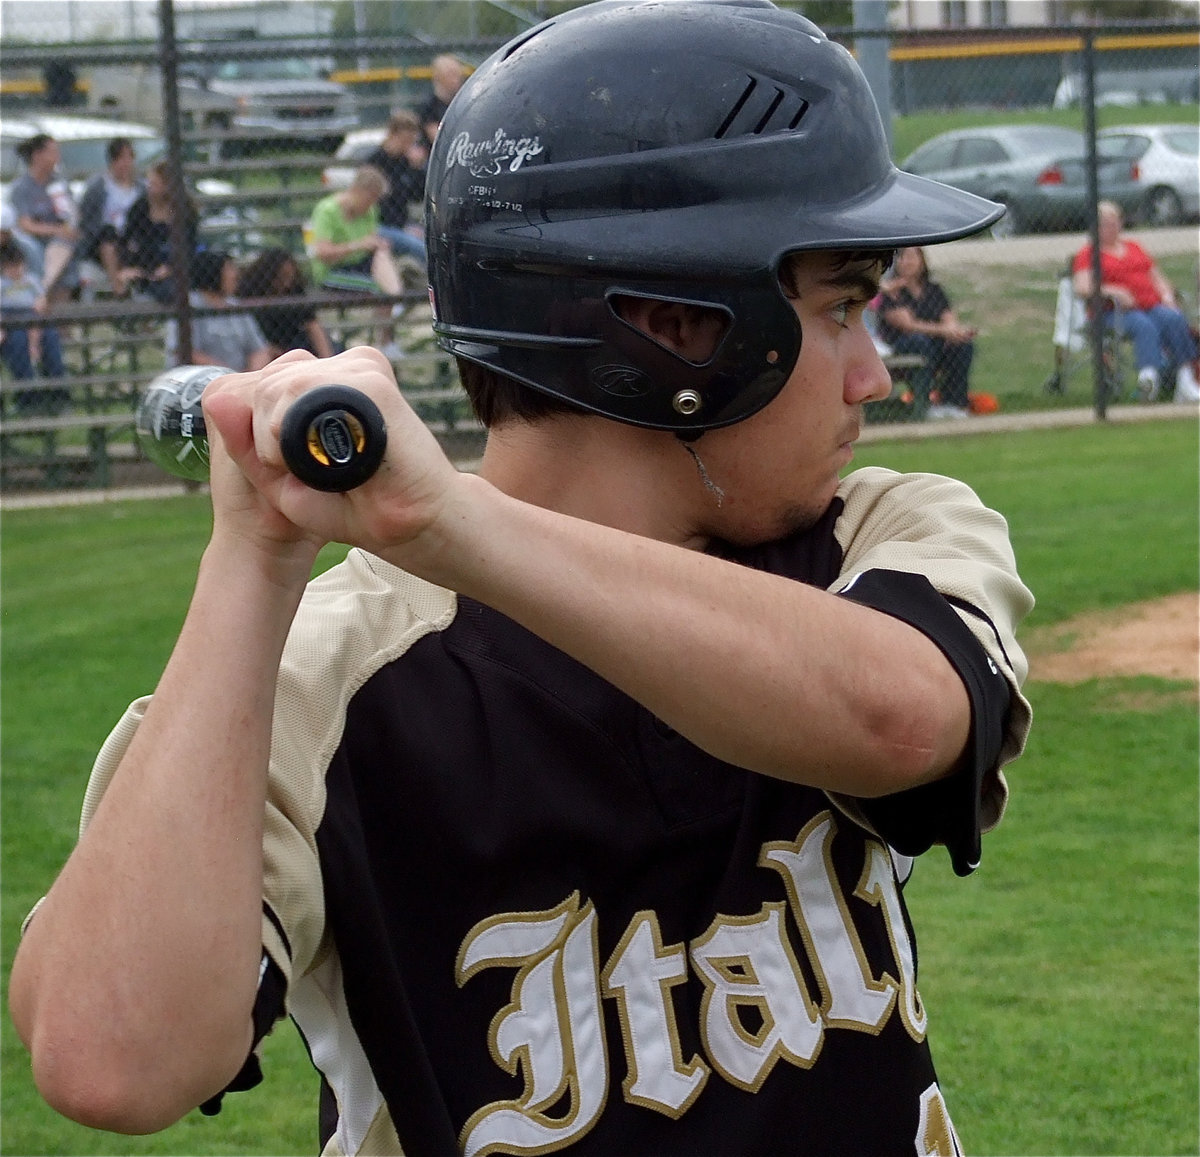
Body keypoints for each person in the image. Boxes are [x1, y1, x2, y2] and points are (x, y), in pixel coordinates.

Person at [10, 4, 1034, 1155]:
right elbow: (108, 1054)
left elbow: (903, 723)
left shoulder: (879, 533)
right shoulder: (331, 676)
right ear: (681, 332)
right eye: (841, 307)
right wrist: (254, 556)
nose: (875, 374)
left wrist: (457, 524)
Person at [1072, 200, 1200, 401]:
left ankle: (1186, 381)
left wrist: (1166, 295)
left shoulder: (1134, 247)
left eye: (1116, 222)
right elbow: (1082, 287)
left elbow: (1156, 277)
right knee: (1144, 325)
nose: (1113, 228)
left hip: (1150, 305)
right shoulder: (1088, 254)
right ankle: (1148, 380)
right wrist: (1113, 291)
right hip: (1111, 312)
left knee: (1174, 318)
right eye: (1107, 223)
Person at [305, 164, 404, 359]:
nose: (372, 204)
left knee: (384, 257)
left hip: (361, 264)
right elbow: (322, 253)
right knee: (381, 291)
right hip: (332, 271)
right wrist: (357, 245)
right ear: (357, 191)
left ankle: (395, 297)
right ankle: (386, 338)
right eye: (370, 198)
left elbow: (371, 240)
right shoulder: (328, 210)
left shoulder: (370, 210)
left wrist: (377, 245)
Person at [875, 246, 978, 420]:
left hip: (935, 345)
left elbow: (948, 317)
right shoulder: (893, 292)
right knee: (920, 341)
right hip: (900, 345)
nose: (906, 262)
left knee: (962, 344)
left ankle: (954, 404)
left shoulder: (933, 289)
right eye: (902, 258)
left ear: (922, 261)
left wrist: (956, 332)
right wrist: (944, 330)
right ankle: (925, 404)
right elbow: (908, 325)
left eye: (911, 257)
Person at [165, 249, 271, 372]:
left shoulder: (236, 306)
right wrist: (227, 375)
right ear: (213, 272)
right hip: (203, 381)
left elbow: (259, 349)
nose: (236, 275)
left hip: (240, 378)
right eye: (230, 269)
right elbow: (186, 352)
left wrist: (252, 375)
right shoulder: (190, 305)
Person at [8, 133, 80, 304]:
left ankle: (44, 290)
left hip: (59, 245)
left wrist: (67, 226)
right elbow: (25, 225)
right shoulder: (22, 187)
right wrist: (56, 230)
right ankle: (42, 289)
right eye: (53, 152)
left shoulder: (58, 184)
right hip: (33, 243)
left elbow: (69, 217)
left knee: (65, 243)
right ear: (37, 156)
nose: (57, 157)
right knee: (50, 245)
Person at [118, 158, 200, 306]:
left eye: (154, 184)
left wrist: (170, 267)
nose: (149, 187)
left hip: (176, 269)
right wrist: (130, 267)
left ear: (167, 186)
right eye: (149, 182)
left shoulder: (184, 211)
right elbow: (127, 241)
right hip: (146, 270)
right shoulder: (140, 208)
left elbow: (189, 248)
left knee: (174, 288)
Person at [0, 237, 68, 413]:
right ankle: (29, 397)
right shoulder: (2, 284)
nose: (16, 270)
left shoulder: (30, 281)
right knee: (18, 343)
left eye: (19, 265)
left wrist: (41, 304)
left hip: (33, 317)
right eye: (10, 266)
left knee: (51, 338)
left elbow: (41, 299)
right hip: (10, 319)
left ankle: (59, 393)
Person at [237, 247, 335, 360]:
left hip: (294, 343)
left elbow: (312, 324)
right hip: (263, 344)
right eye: (282, 277)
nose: (286, 283)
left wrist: (327, 358)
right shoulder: (250, 292)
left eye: (289, 276)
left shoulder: (295, 291)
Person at [77, 137, 145, 298]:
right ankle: (118, 287)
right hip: (102, 240)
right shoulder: (98, 187)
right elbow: (87, 220)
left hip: (131, 237)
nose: (126, 163)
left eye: (129, 158)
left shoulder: (140, 188)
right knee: (109, 234)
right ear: (112, 161)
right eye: (121, 158)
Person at [364, 108, 429, 269]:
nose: (408, 146)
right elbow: (381, 204)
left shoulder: (406, 161)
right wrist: (405, 230)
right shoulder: (374, 163)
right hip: (380, 226)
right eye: (405, 141)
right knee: (420, 248)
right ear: (392, 135)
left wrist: (417, 168)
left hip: (403, 225)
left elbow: (417, 196)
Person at [418, 52, 468, 145]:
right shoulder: (430, 106)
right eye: (451, 75)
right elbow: (437, 138)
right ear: (439, 77)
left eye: (458, 74)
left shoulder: (464, 103)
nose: (457, 79)